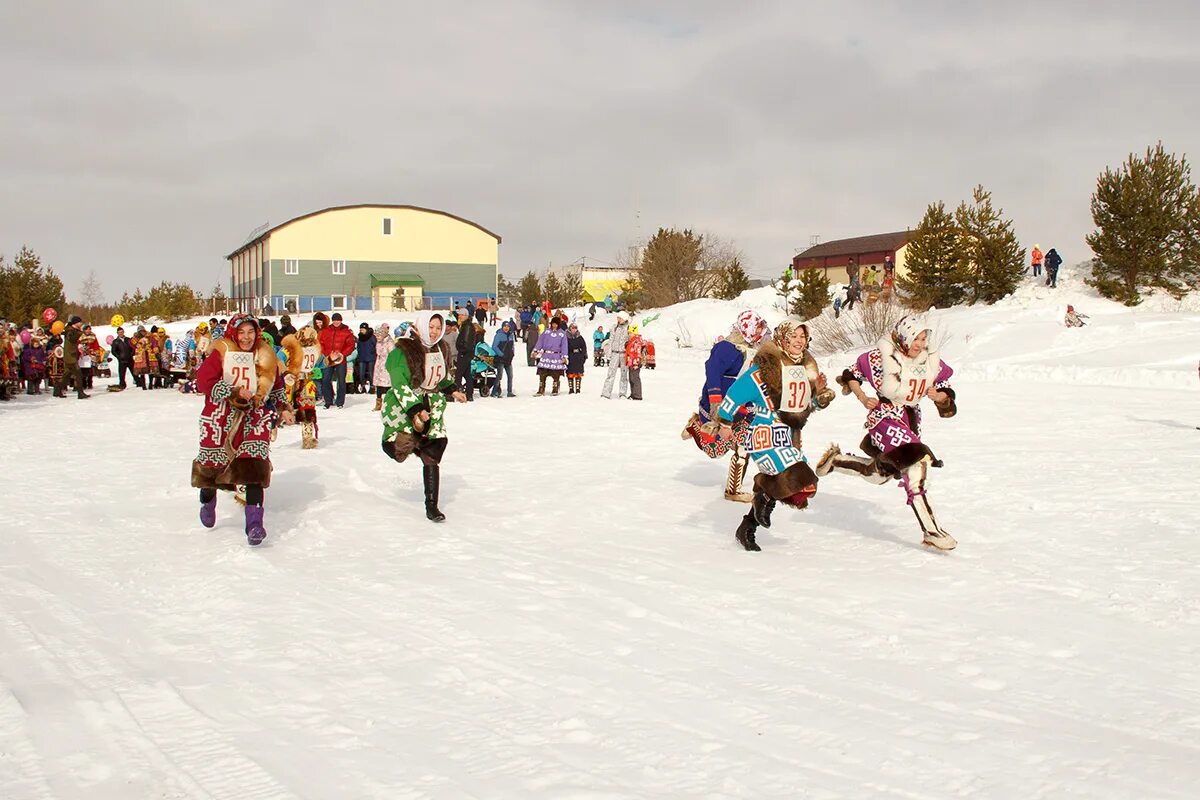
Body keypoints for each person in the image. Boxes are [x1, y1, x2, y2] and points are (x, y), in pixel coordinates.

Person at [820, 315, 959, 550]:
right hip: (884, 418)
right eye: (916, 338)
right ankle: (932, 530)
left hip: (909, 418)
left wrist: (940, 397)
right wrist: (863, 397)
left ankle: (839, 462)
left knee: (882, 474)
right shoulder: (880, 358)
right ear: (904, 336)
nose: (920, 344)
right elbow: (851, 374)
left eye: (924, 339)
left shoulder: (928, 361)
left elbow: (945, 388)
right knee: (916, 461)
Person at [716, 320, 835, 551]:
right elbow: (735, 393)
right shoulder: (764, 369)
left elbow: (802, 407)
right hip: (764, 432)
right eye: (795, 336)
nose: (800, 341)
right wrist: (725, 422)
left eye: (803, 336)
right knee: (802, 480)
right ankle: (761, 491)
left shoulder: (803, 370)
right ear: (783, 338)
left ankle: (748, 526)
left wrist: (819, 397)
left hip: (788, 434)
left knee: (803, 490)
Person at [191, 314, 291, 545]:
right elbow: (203, 381)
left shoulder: (266, 356)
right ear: (235, 333)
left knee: (254, 467)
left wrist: (283, 406)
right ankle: (208, 500)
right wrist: (233, 391)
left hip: (255, 417)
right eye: (242, 332)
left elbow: (275, 387)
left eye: (251, 332)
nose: (246, 337)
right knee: (211, 467)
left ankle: (255, 525)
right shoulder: (223, 351)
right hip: (220, 416)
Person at [380, 312, 467, 522]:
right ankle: (402, 444)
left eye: (438, 327)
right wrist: (415, 409)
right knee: (399, 446)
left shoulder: (440, 348)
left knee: (432, 453)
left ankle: (432, 506)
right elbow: (399, 383)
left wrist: (452, 389)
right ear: (420, 327)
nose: (435, 331)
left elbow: (441, 376)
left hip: (432, 404)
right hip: (406, 404)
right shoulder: (403, 351)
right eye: (431, 327)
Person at [681, 310, 771, 502]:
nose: (763, 333)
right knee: (715, 451)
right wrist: (715, 403)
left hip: (743, 408)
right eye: (759, 328)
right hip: (719, 405)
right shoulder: (725, 348)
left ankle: (733, 490)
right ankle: (695, 426)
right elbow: (712, 372)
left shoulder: (756, 352)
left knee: (744, 444)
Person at [317, 311, 355, 408]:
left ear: (341, 321)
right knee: (325, 380)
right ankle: (328, 401)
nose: (336, 322)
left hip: (341, 359)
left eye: (338, 320)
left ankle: (340, 402)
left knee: (341, 381)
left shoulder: (346, 332)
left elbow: (350, 345)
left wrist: (342, 354)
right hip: (329, 358)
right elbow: (321, 343)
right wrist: (326, 354)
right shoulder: (326, 331)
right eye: (334, 320)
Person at [54, 315, 88, 399]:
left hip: (71, 355)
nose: (81, 323)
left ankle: (57, 390)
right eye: (80, 322)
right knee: (79, 374)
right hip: (70, 356)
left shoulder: (72, 330)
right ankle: (80, 393)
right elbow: (72, 339)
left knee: (66, 375)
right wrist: (80, 333)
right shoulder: (70, 331)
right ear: (76, 323)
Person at [534, 317, 568, 395]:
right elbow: (540, 341)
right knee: (542, 374)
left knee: (555, 374)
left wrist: (564, 356)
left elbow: (564, 346)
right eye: (553, 324)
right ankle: (541, 388)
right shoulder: (546, 332)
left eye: (556, 324)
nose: (554, 325)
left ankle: (555, 388)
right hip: (546, 355)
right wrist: (536, 350)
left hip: (556, 356)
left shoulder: (562, 334)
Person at [600, 312, 631, 398]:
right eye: (617, 318)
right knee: (610, 374)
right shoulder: (614, 327)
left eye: (620, 318)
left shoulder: (628, 328)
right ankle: (606, 393)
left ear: (624, 319)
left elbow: (631, 340)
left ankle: (622, 393)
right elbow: (611, 340)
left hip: (624, 354)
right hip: (615, 353)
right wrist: (609, 352)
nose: (618, 319)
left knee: (624, 374)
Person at [453, 307, 479, 400]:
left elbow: (467, 341)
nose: (459, 316)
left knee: (459, 374)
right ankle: (469, 394)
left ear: (465, 316)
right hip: (467, 353)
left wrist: (462, 349)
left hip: (465, 353)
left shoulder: (467, 326)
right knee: (467, 375)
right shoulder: (465, 325)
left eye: (460, 315)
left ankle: (457, 393)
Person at [491, 320, 517, 397]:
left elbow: (512, 346)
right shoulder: (499, 335)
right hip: (501, 359)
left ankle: (510, 391)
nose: (506, 328)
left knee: (510, 375)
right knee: (499, 375)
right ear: (502, 327)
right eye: (505, 326)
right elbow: (494, 347)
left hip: (508, 359)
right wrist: (501, 354)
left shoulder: (511, 335)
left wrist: (512, 354)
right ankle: (494, 391)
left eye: (508, 326)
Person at [372, 322, 394, 412]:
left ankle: (390, 403)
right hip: (379, 364)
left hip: (387, 365)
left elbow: (392, 354)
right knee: (379, 385)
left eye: (378, 336)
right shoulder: (379, 342)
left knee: (388, 384)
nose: (377, 337)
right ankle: (378, 403)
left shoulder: (390, 342)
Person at [566, 322, 588, 394]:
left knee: (578, 373)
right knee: (570, 372)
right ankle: (571, 389)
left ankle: (578, 389)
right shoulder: (566, 337)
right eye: (573, 328)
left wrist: (583, 355)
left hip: (578, 356)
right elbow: (564, 347)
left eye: (575, 328)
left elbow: (584, 346)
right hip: (570, 356)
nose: (574, 330)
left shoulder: (580, 337)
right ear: (570, 328)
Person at [624, 323, 645, 400]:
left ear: (634, 333)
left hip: (635, 362)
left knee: (635, 378)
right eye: (628, 333)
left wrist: (636, 362)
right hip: (631, 362)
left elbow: (637, 353)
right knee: (631, 378)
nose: (629, 334)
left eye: (630, 333)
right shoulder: (631, 341)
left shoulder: (636, 341)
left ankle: (637, 395)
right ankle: (633, 393)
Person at [355, 322, 377, 395]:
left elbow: (375, 346)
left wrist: (373, 352)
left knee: (371, 373)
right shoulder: (360, 337)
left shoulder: (372, 337)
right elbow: (358, 347)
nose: (362, 331)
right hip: (362, 358)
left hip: (371, 357)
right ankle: (362, 386)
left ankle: (372, 387)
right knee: (361, 374)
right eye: (361, 329)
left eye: (363, 329)